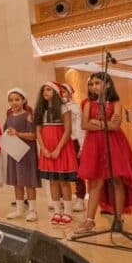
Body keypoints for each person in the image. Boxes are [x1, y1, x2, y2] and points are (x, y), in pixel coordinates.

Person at [75, 72, 132, 235]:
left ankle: (117, 219)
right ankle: (89, 220)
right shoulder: (87, 103)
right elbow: (84, 125)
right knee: (95, 183)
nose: (94, 86)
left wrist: (97, 122)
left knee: (117, 181)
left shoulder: (115, 103)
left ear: (108, 85)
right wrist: (104, 124)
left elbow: (115, 126)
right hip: (95, 144)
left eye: (97, 83)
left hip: (114, 143)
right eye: (91, 84)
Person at [36, 82, 79, 225]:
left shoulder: (63, 108)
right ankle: (56, 211)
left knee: (63, 182)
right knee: (52, 182)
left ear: (55, 92)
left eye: (48, 89)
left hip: (61, 148)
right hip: (46, 149)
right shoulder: (41, 110)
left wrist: (58, 149)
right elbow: (38, 131)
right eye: (43, 90)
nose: (45, 92)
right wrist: (43, 148)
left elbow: (67, 130)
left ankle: (67, 212)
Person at [5, 88, 40, 222]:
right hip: (14, 153)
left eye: (17, 100)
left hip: (27, 154)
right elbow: (6, 132)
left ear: (23, 100)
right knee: (16, 181)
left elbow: (33, 135)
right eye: (11, 100)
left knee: (29, 182)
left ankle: (32, 210)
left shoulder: (29, 116)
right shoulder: (9, 117)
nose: (14, 103)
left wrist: (18, 134)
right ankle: (19, 209)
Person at [59, 83, 87, 212]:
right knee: (62, 171)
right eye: (61, 91)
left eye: (65, 91)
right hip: (62, 143)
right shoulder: (57, 108)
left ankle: (80, 198)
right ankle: (63, 198)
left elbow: (80, 129)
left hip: (74, 142)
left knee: (77, 172)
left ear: (70, 93)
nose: (62, 93)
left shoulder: (75, 108)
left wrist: (82, 147)